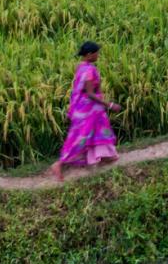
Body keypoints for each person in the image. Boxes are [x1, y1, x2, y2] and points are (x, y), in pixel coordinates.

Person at [51, 41, 121, 181]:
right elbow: (90, 93)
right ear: (89, 54)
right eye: (96, 53)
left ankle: (104, 156)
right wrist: (110, 105)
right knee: (81, 136)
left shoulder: (81, 67)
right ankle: (59, 164)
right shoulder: (88, 70)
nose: (98, 55)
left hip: (87, 108)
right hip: (88, 109)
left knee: (98, 129)